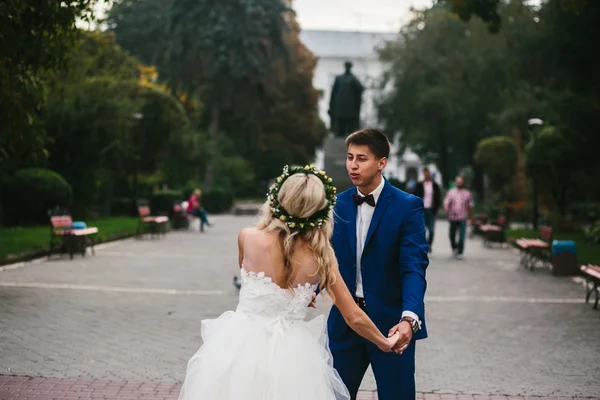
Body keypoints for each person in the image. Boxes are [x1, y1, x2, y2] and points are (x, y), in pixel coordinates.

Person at [178, 165, 402, 400]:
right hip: (294, 358)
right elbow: (353, 316)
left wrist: (294, 297)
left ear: (278, 199)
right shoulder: (322, 258)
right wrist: (384, 342)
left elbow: (256, 285)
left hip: (240, 347)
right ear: (319, 210)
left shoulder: (247, 237)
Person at [328, 129, 428, 400]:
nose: (353, 165)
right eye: (350, 158)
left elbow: (414, 266)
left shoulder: (408, 207)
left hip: (392, 326)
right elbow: (326, 259)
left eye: (362, 158)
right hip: (344, 323)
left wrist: (409, 319)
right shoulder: (337, 205)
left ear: (381, 163)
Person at [443, 176, 474, 259]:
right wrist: (446, 207)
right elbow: (446, 201)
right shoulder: (451, 192)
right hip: (452, 217)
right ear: (456, 183)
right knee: (452, 235)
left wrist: (471, 217)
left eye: (460, 182)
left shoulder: (467, 193)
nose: (459, 183)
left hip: (463, 217)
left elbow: (470, 205)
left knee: (462, 236)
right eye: (458, 182)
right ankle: (454, 248)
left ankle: (460, 252)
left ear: (463, 183)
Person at [414, 167, 442, 252]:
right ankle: (424, 245)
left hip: (431, 210)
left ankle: (429, 244)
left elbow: (438, 198)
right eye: (425, 173)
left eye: (428, 173)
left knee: (432, 230)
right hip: (422, 210)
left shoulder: (434, 185)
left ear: (429, 174)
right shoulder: (419, 185)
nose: (426, 175)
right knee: (422, 230)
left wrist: (436, 209)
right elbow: (415, 197)